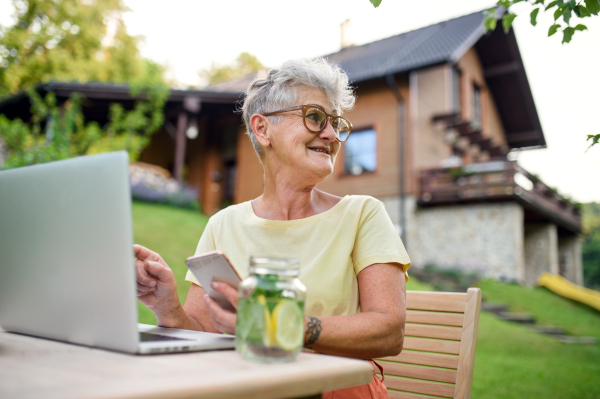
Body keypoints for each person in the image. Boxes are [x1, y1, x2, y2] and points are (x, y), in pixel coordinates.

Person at [134, 58, 410, 399]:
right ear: (263, 129)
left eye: (336, 123)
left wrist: (278, 327)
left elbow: (389, 331)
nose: (330, 134)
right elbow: (203, 331)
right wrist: (166, 306)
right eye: (314, 117)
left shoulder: (363, 214)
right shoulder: (224, 223)